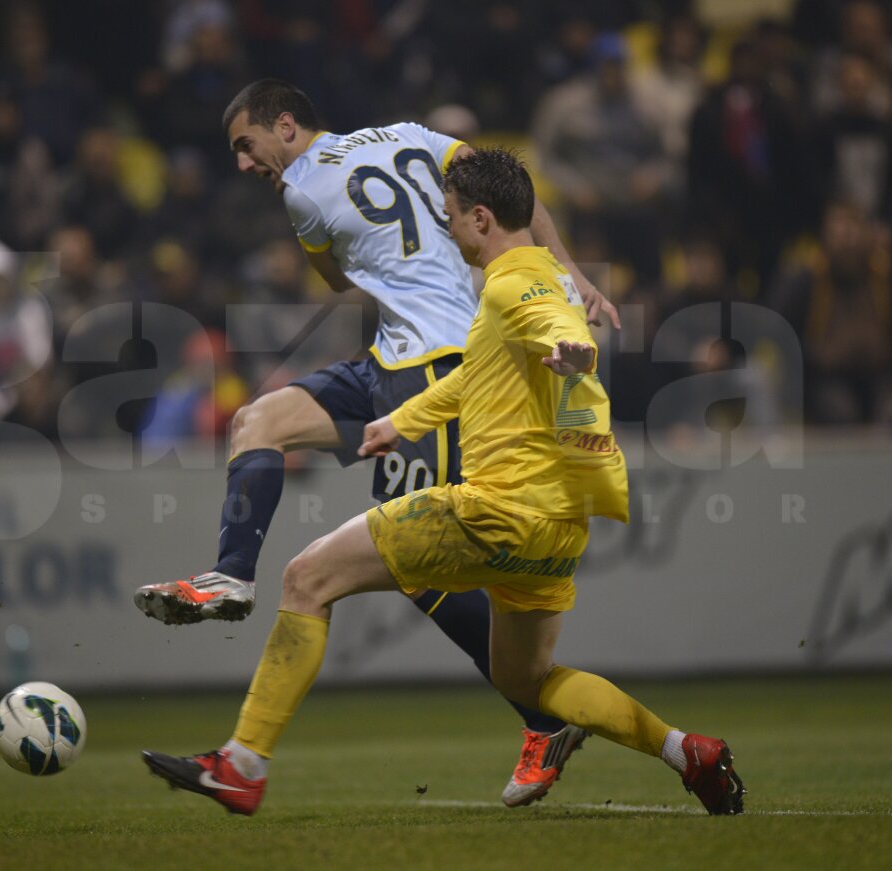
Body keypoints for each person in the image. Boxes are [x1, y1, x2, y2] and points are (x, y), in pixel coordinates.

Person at [142, 148, 745, 818]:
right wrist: (401, 419)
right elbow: (475, 372)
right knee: (532, 681)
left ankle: (242, 764)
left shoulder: (521, 287)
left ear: (483, 219)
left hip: (493, 509)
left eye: (452, 215)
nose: (447, 227)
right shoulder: (527, 277)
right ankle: (686, 750)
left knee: (306, 579)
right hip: (555, 529)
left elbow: (566, 336)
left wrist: (576, 370)